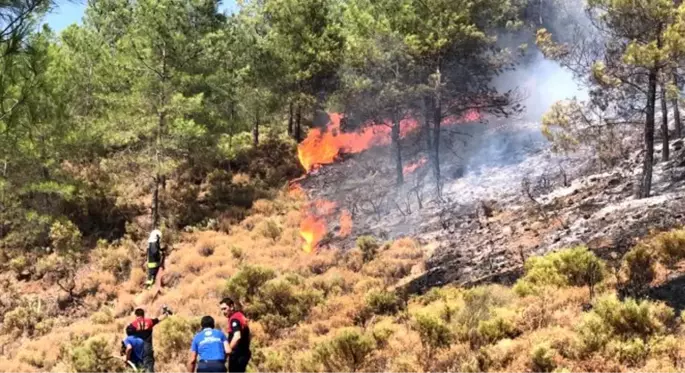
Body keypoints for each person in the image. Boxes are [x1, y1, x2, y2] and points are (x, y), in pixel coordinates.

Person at [128, 306, 172, 373]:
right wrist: (166, 313)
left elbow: (129, 336)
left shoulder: (132, 325)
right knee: (149, 370)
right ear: (143, 315)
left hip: (136, 352)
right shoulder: (150, 322)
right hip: (147, 350)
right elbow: (159, 319)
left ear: (136, 315)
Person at [220, 298, 251, 373]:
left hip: (238, 356)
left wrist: (228, 350)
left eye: (225, 308)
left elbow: (237, 336)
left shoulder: (234, 319)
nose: (223, 311)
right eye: (222, 309)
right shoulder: (239, 315)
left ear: (231, 306)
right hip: (243, 353)